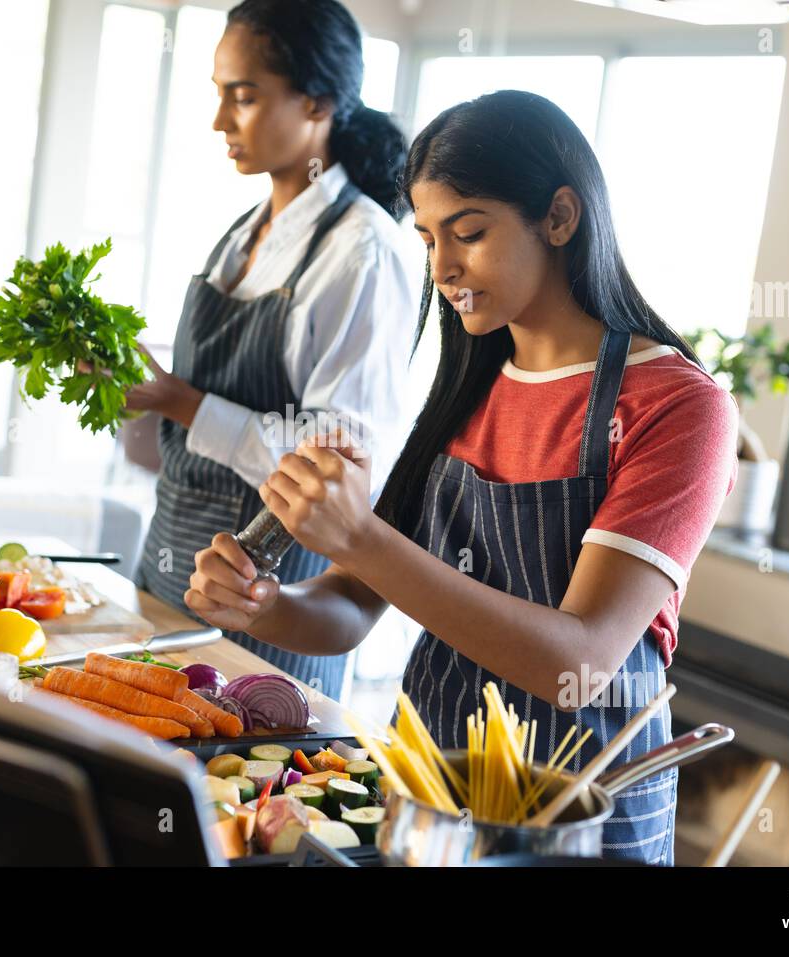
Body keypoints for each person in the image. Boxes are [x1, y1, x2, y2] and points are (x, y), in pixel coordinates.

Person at [184, 90, 740, 864]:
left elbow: (576, 663)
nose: (443, 268)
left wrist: (359, 534)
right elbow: (352, 603)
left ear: (560, 218)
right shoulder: (470, 383)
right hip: (433, 796)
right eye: (427, 238)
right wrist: (262, 604)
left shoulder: (680, 407)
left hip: (578, 819)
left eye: (469, 234)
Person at [125, 0, 416, 701]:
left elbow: (337, 463)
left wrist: (180, 400)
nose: (220, 120)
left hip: (268, 606)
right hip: (170, 575)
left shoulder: (363, 252)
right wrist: (138, 392)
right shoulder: (242, 231)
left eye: (244, 96)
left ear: (317, 101)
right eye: (219, 94)